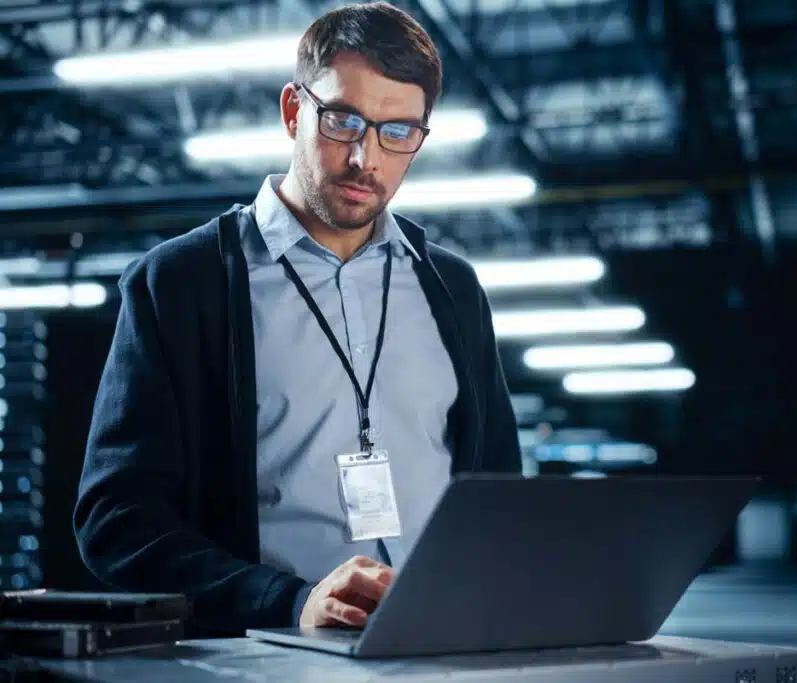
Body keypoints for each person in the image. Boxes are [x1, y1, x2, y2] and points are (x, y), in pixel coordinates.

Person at [73, 1, 521, 638]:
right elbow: (115, 519)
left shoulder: (452, 288)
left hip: (441, 645)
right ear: (293, 111)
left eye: (397, 132)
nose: (366, 158)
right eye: (343, 121)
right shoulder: (181, 284)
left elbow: (500, 491)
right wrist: (286, 602)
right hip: (265, 653)